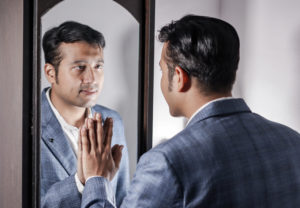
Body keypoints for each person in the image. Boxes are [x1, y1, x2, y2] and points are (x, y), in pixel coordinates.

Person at [78, 15, 300, 207]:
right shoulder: (292, 141)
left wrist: (97, 180)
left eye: (162, 70)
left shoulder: (166, 162)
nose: (162, 80)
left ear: (179, 77)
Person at [40, 21, 130, 208]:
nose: (92, 79)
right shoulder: (24, 126)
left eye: (98, 66)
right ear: (50, 73)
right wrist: (82, 182)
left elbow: (122, 198)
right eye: (80, 67)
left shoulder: (114, 122)